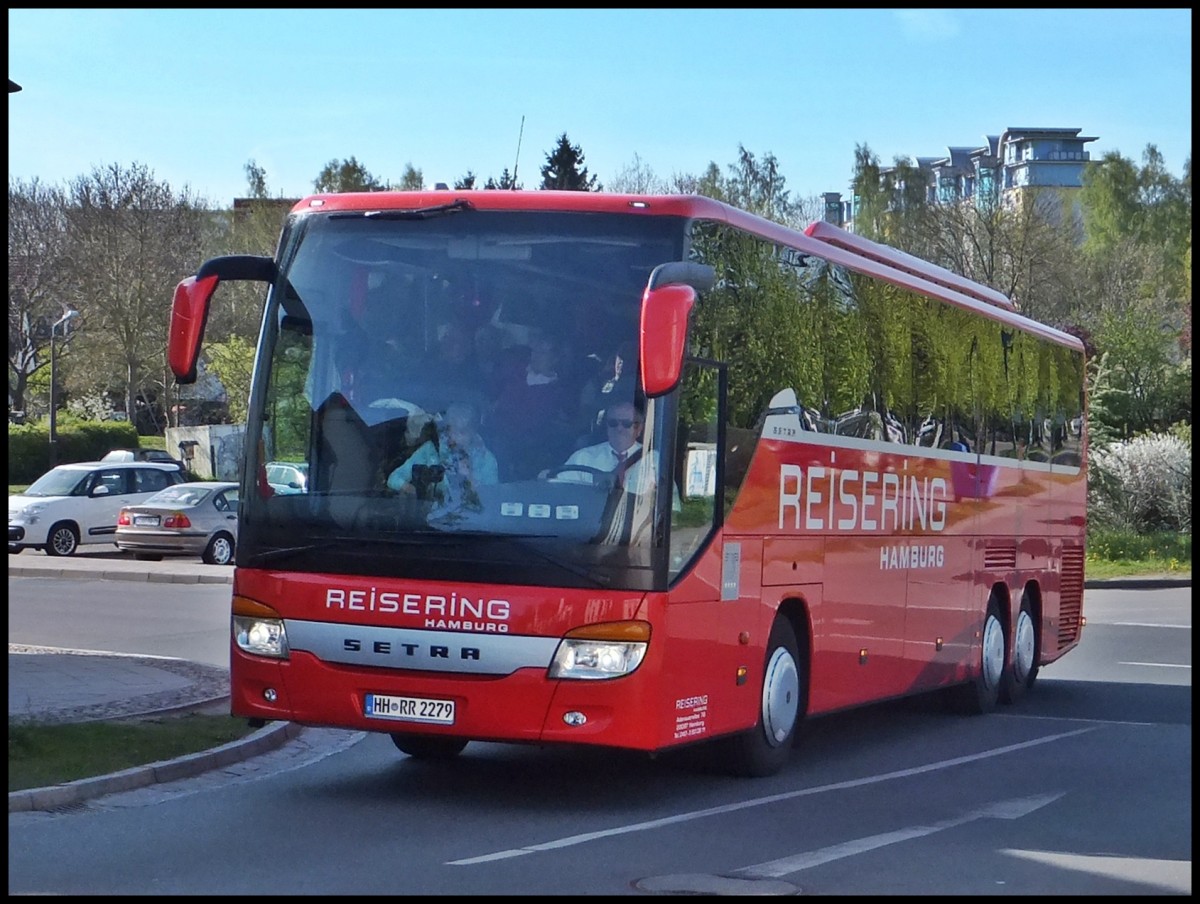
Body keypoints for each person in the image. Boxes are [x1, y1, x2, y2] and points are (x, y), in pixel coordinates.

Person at [386, 401, 498, 511]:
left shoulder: (487, 460)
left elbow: (490, 503)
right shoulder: (432, 450)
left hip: (470, 523)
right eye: (451, 430)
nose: (454, 438)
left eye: (461, 433)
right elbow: (394, 478)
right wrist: (413, 491)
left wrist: (469, 477)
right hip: (431, 523)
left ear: (473, 431)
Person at [547, 400, 657, 496]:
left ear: (639, 428)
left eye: (626, 423)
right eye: (613, 423)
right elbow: (560, 491)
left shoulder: (654, 460)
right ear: (607, 427)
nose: (619, 429)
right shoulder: (583, 458)